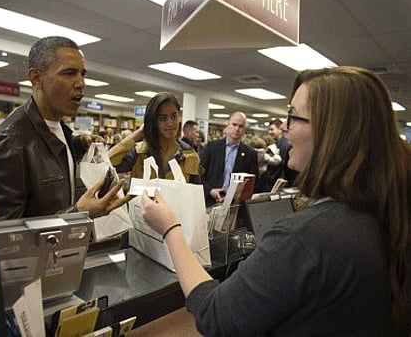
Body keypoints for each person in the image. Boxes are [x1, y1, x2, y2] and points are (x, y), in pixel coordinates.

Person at [141, 66, 410, 336]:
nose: (284, 128)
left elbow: (216, 317)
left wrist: (169, 228)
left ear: (331, 132)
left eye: (292, 116)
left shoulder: (304, 238)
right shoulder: (383, 214)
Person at [0, 36, 130, 219]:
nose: (80, 83)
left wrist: (78, 146)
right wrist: (77, 214)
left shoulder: (59, 127)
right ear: (36, 79)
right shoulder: (10, 145)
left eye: (83, 74)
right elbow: (5, 237)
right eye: (69, 73)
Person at [109, 92, 200, 183]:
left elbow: (195, 193)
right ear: (154, 121)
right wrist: (137, 134)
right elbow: (107, 165)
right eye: (163, 118)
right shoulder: (139, 152)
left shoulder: (189, 155)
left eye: (174, 116)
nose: (170, 123)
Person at [200, 112, 259, 206]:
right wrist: (210, 190)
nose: (237, 129)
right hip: (211, 201)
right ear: (228, 126)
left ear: (244, 130)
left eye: (241, 126)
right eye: (234, 124)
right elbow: (199, 175)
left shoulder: (250, 154)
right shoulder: (212, 147)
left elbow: (253, 184)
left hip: (236, 205)